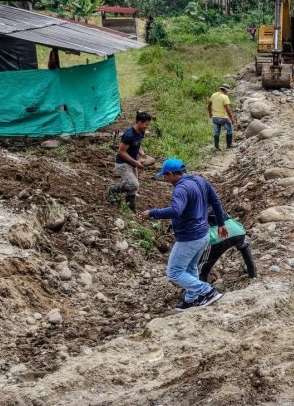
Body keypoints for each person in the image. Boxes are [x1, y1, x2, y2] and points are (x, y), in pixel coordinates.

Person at [140, 158, 227, 311]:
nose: (166, 180)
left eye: (165, 176)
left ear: (171, 174)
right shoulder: (200, 180)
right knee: (191, 267)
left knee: (173, 272)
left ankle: (207, 291)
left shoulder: (180, 189)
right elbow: (216, 201)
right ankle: (191, 300)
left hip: (190, 237)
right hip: (203, 233)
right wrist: (221, 223)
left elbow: (175, 211)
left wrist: (152, 213)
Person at [107, 110, 152, 212]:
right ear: (139, 122)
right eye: (146, 124)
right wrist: (135, 162)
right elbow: (121, 152)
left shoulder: (141, 132)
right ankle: (113, 189)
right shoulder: (128, 135)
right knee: (133, 184)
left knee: (134, 188)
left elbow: (138, 144)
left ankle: (131, 210)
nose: (147, 126)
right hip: (122, 164)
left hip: (132, 163)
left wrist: (143, 155)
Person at [198, 210, 256, 282]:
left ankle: (202, 289)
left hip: (216, 236)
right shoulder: (212, 204)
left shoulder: (194, 208)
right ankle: (253, 274)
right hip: (237, 229)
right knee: (243, 246)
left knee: (201, 269)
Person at [207, 83, 235, 150]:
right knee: (229, 128)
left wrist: (210, 113)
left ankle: (216, 147)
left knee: (217, 131)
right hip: (223, 117)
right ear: (225, 90)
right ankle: (229, 145)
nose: (227, 92)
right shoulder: (225, 97)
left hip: (215, 117)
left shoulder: (214, 95)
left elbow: (209, 105)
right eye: (227, 91)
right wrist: (232, 118)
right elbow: (228, 108)